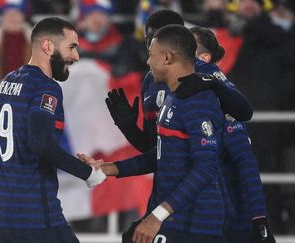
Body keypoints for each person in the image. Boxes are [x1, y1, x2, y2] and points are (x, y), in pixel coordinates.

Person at [84, 24, 227, 242]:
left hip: (193, 223)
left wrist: (157, 216)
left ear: (167, 58)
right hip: (172, 218)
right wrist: (108, 168)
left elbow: (205, 168)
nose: (148, 62)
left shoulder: (198, 101)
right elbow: (163, 156)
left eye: (151, 55)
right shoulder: (173, 99)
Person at [0, 17, 106, 242]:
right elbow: (41, 143)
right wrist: (87, 172)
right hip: (34, 216)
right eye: (71, 47)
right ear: (48, 46)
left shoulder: (7, 81)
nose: (76, 56)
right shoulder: (45, 86)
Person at [105, 10, 253, 154]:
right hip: (168, 176)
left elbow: (244, 112)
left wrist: (214, 84)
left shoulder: (203, 69)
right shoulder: (150, 81)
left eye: (163, 38)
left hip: (205, 173)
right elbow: (152, 148)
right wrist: (128, 128)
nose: (154, 45)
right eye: (150, 39)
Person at [191, 26, 275, 243]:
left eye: (184, 46)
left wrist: (260, 220)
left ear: (204, 57)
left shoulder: (221, 100)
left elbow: (245, 162)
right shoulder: (179, 95)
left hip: (225, 223)